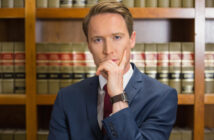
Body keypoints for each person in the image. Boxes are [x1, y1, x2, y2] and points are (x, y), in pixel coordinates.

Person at [48, 1, 178, 140]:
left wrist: (117, 96)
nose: (108, 50)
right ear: (89, 46)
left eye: (116, 37)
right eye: (98, 40)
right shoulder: (66, 97)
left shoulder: (162, 97)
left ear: (132, 40)